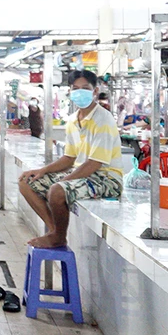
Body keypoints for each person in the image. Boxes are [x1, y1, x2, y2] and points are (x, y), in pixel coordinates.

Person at [18, 70, 123, 248]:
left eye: (85, 88)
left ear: (95, 91)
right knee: (26, 182)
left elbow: (94, 163)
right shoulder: (73, 120)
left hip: (106, 179)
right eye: (75, 88)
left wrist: (63, 181)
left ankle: (58, 236)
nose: (80, 92)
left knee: (57, 191)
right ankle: (54, 231)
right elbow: (69, 158)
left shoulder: (103, 120)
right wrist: (42, 171)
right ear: (70, 91)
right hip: (84, 175)